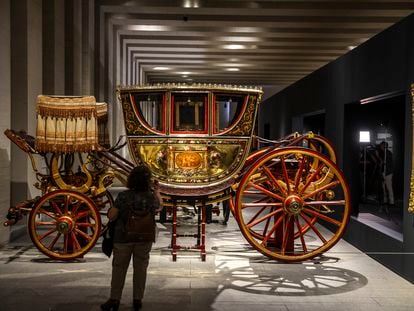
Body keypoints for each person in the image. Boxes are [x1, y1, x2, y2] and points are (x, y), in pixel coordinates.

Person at [101, 165, 162, 311]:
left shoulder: (123, 196)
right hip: (144, 237)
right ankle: (137, 299)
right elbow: (159, 207)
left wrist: (112, 212)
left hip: (123, 237)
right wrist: (157, 191)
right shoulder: (150, 196)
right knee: (140, 268)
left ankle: (114, 299)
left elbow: (112, 216)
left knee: (119, 268)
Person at [377, 141, 394, 205]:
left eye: (381, 146)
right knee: (383, 187)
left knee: (389, 187)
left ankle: (391, 201)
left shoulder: (388, 153)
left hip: (388, 172)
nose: (380, 147)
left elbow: (384, 162)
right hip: (384, 172)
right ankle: (385, 200)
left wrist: (378, 157)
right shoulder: (383, 153)